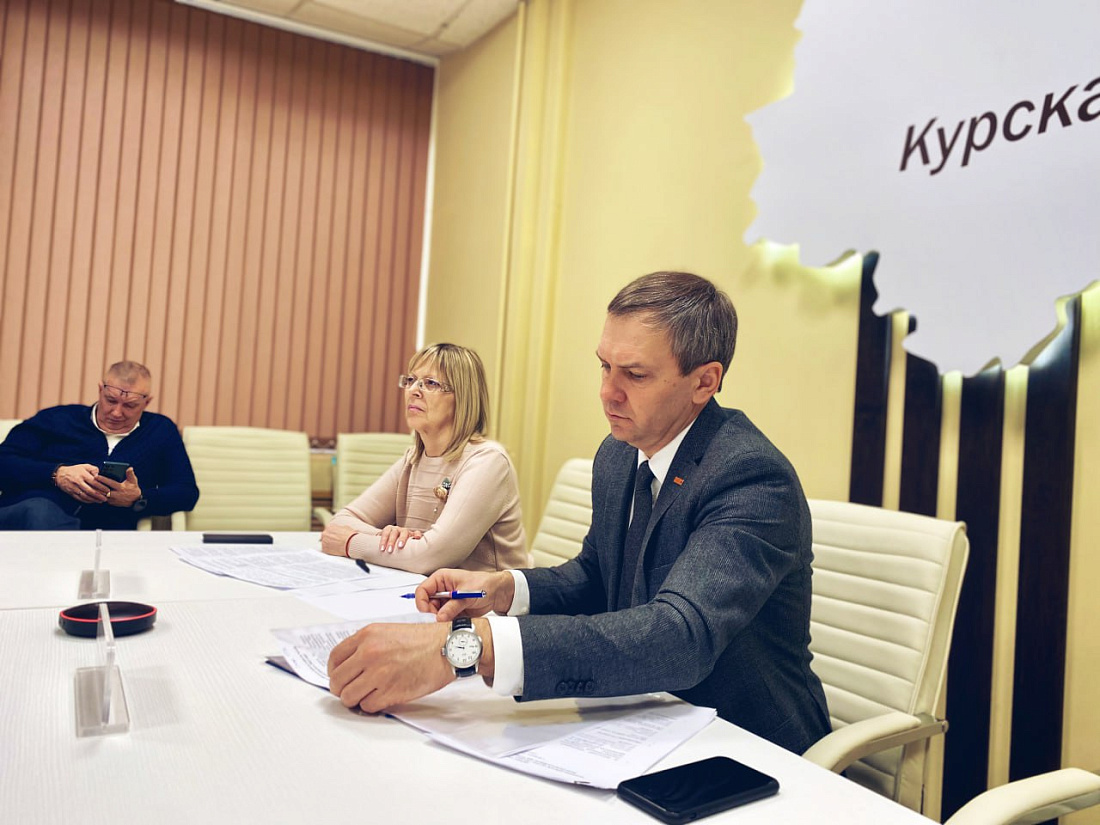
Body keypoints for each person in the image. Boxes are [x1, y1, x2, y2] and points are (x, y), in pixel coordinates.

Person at [326, 273, 830, 755]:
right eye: (604, 366)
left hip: (745, 740)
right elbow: (596, 575)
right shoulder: (619, 454)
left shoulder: (751, 476)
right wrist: (504, 588)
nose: (608, 392)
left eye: (635, 374)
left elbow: (680, 636)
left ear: (704, 381)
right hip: (644, 714)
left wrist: (470, 646)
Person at [320, 343, 528, 575]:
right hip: (423, 588)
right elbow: (340, 523)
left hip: (482, 597)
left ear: (462, 397)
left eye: (430, 383)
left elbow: (429, 557)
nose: (413, 390)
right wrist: (386, 537)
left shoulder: (488, 461)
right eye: (410, 380)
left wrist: (351, 543)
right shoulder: (413, 460)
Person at [0, 360, 199, 530]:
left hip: (107, 533)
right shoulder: (57, 418)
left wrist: (138, 497)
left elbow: (186, 493)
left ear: (147, 402)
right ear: (100, 390)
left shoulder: (160, 431)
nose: (116, 412)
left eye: (130, 405)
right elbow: (4, 461)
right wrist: (57, 474)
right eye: (110, 400)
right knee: (41, 512)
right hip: (34, 517)